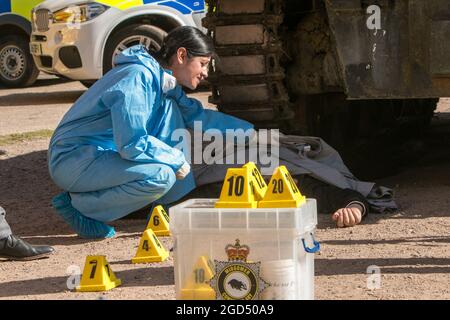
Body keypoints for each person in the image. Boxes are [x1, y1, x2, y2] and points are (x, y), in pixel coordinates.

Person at [48, 27, 395, 239]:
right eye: (202, 64)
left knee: (169, 177)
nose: (204, 74)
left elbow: (203, 119)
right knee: (161, 175)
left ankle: (87, 204)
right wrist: (175, 159)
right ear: (182, 55)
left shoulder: (164, 87)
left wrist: (256, 136)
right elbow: (132, 142)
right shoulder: (136, 80)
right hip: (74, 160)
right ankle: (82, 208)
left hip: (98, 159)